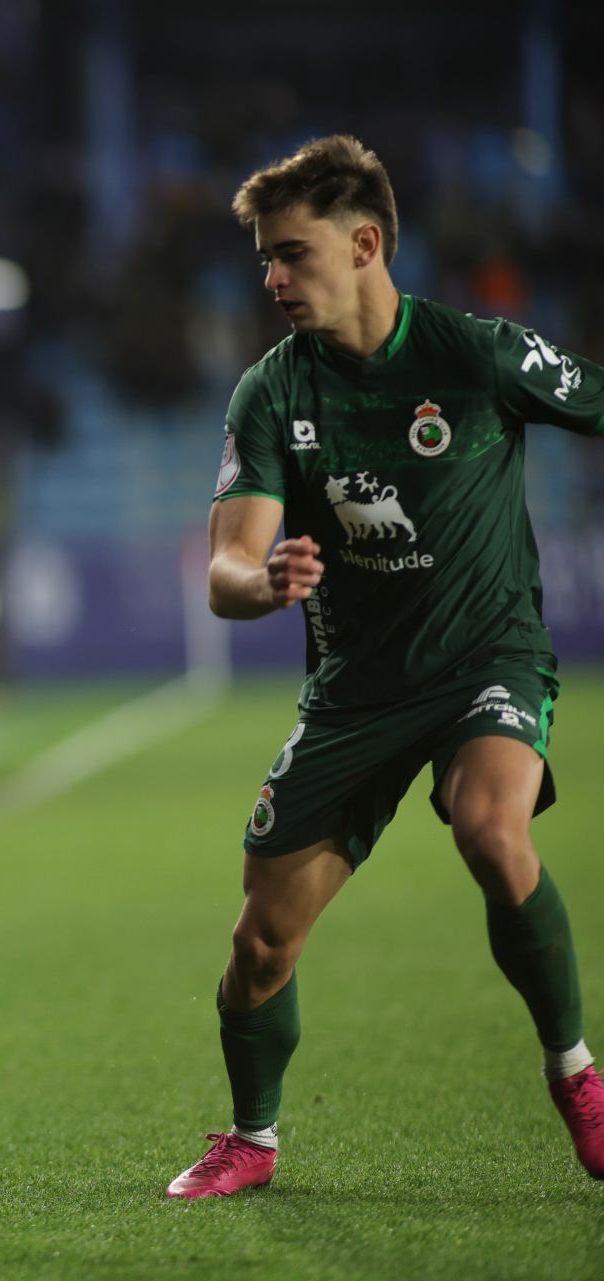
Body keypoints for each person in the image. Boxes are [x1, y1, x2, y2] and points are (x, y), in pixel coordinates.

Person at [168, 135, 603, 1198]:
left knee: (492, 829)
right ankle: (253, 1139)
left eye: (294, 254)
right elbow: (226, 567)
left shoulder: (477, 355)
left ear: (365, 245)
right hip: (357, 691)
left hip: (486, 660)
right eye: (266, 259)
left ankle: (576, 1074)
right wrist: (265, 579)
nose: (274, 279)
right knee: (261, 944)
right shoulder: (271, 392)